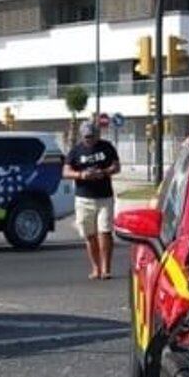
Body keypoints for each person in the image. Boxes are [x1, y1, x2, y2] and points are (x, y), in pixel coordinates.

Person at [64, 119, 121, 280]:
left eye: (92, 136)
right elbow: (66, 171)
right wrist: (81, 175)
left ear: (97, 134)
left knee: (105, 232)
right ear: (82, 136)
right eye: (87, 136)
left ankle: (106, 268)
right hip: (84, 198)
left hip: (104, 197)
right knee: (89, 235)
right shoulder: (76, 151)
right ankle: (95, 268)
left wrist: (103, 172)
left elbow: (116, 166)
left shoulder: (106, 147)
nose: (89, 139)